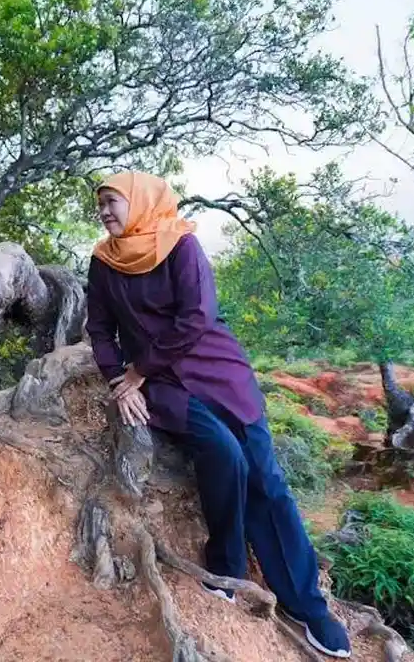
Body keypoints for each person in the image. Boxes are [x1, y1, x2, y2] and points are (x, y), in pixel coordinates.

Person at [84, 170, 352, 659]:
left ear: (141, 202)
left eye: (111, 201)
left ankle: (308, 607)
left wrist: (139, 368)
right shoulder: (103, 263)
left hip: (217, 370)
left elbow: (197, 316)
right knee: (224, 454)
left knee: (267, 479)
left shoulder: (181, 245)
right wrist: (116, 379)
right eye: (99, 203)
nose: (103, 211)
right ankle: (225, 565)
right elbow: (99, 330)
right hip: (164, 384)